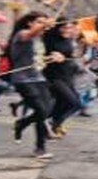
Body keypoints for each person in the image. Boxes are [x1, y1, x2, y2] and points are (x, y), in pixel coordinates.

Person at [8, 12, 63, 159]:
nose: (42, 25)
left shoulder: (38, 39)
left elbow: (36, 58)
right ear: (29, 23)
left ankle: (26, 129)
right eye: (39, 21)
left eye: (44, 22)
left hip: (38, 77)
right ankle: (38, 145)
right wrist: (45, 25)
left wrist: (52, 57)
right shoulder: (21, 34)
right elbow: (29, 35)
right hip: (23, 79)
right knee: (41, 110)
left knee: (46, 111)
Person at [43, 20, 82, 137]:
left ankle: (53, 121)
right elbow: (40, 55)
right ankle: (51, 122)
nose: (67, 30)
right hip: (53, 75)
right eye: (64, 28)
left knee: (75, 103)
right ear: (58, 27)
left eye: (69, 28)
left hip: (67, 75)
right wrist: (51, 57)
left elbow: (69, 55)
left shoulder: (69, 40)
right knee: (72, 101)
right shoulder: (49, 38)